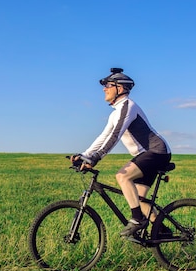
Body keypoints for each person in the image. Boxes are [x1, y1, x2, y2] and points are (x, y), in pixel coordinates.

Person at [71, 68, 172, 239]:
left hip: (157, 152)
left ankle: (137, 220)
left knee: (122, 176)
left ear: (120, 88)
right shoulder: (116, 113)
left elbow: (115, 136)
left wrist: (96, 158)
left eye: (108, 85)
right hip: (147, 155)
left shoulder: (128, 106)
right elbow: (104, 136)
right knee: (140, 200)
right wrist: (85, 155)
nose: (104, 89)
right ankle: (162, 232)